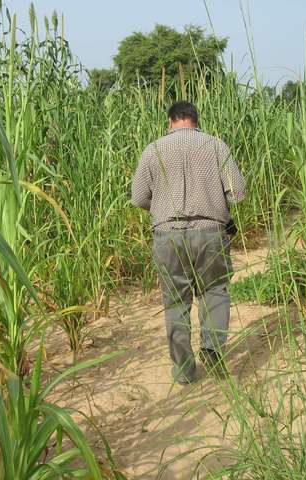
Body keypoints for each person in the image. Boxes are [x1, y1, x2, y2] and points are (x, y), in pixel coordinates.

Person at [131, 101, 246, 384]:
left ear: (171, 122)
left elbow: (138, 198)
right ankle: (212, 350)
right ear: (195, 120)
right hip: (210, 232)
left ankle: (184, 371)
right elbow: (238, 192)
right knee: (215, 291)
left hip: (168, 235)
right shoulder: (216, 146)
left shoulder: (153, 150)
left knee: (176, 302)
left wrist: (161, 208)